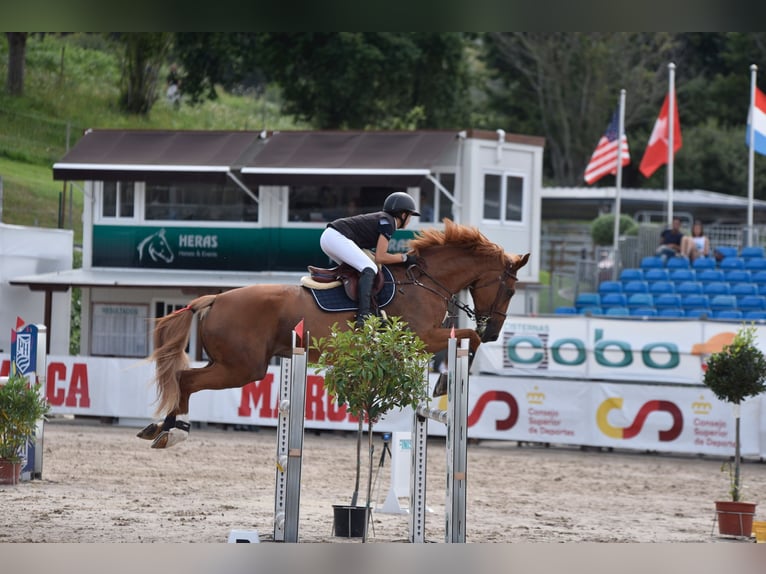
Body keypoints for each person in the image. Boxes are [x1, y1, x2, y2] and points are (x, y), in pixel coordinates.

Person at [320, 192, 419, 327]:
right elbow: (381, 256)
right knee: (370, 268)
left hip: (331, 237)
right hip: (336, 237)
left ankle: (370, 310)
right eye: (410, 216)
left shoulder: (384, 219)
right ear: (403, 215)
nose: (410, 220)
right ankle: (364, 315)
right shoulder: (389, 222)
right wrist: (404, 258)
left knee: (362, 269)